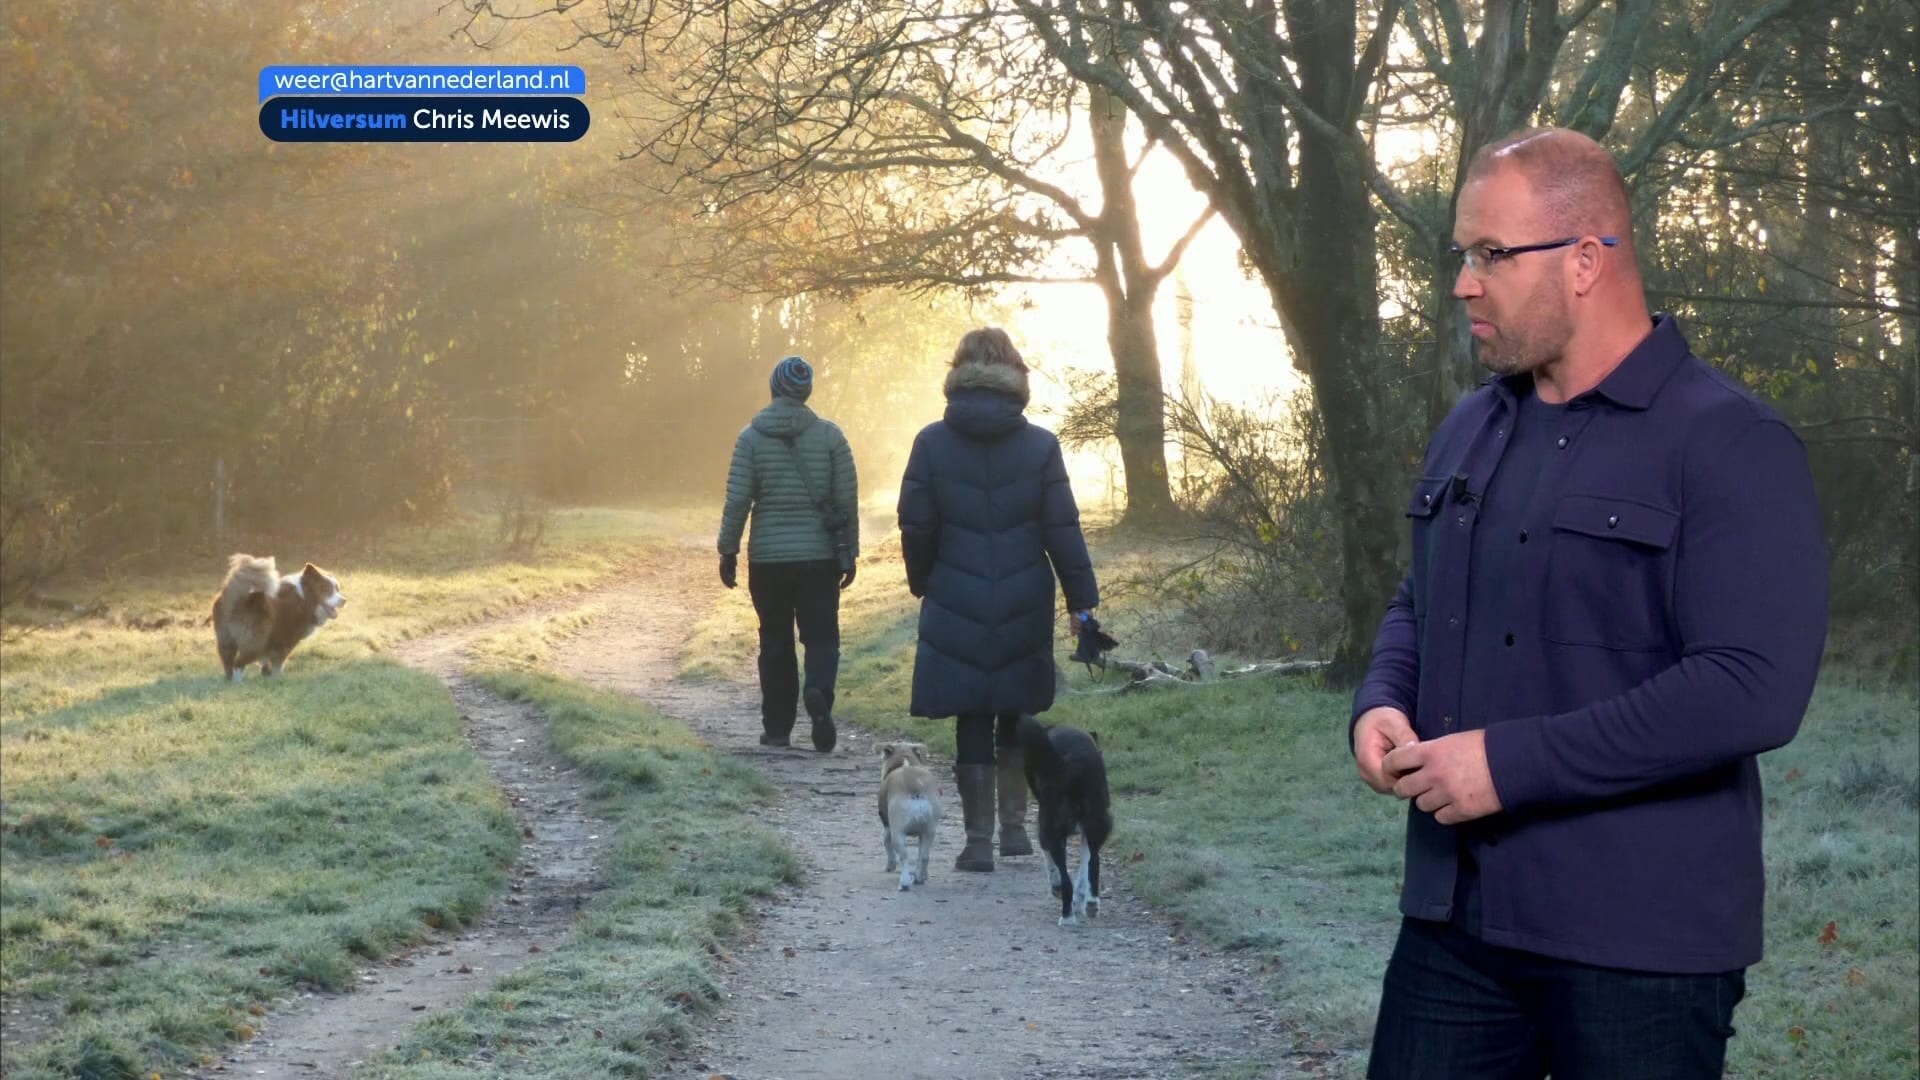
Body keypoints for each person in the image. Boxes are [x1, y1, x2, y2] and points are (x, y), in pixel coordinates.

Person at [1351, 127, 1828, 1079]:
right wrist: (1382, 697)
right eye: (1463, 255)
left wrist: (1507, 765)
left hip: (1640, 943)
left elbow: (1751, 689)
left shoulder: (1730, 441)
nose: (1464, 284)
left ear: (1584, 261)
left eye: (1492, 254)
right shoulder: (1470, 427)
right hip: (1454, 927)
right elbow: (1423, 590)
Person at [898, 327, 1099, 871]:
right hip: (1022, 596)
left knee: (970, 715)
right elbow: (1063, 529)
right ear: (1015, 376)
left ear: (958, 374)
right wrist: (1082, 602)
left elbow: (916, 524)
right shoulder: (1040, 446)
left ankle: (977, 842)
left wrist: (926, 580)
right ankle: (1014, 831)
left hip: (955, 592)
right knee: (1012, 711)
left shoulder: (930, 443)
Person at [718, 355, 859, 752]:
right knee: (821, 635)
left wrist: (727, 549)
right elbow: (847, 499)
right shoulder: (831, 437)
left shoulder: (750, 438)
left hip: (768, 559)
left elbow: (738, 500)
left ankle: (778, 728)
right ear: (807, 391)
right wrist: (851, 552)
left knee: (775, 641)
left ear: (774, 389)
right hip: (819, 557)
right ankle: (818, 694)